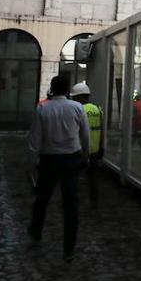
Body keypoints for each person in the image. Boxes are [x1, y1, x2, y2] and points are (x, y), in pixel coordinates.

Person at [27, 74, 90, 260]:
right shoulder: (77, 107)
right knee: (71, 204)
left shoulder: (42, 109)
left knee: (42, 198)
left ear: (53, 89)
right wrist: (86, 158)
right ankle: (69, 247)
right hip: (71, 159)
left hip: (49, 159)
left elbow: (35, 139)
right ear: (67, 89)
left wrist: (31, 163)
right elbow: (85, 136)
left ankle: (36, 231)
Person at [70, 81, 103, 209]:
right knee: (93, 178)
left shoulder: (78, 110)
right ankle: (94, 201)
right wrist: (101, 147)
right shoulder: (97, 109)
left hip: (79, 149)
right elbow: (101, 130)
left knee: (74, 178)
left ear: (79, 97)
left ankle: (74, 202)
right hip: (94, 150)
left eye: (74, 97)